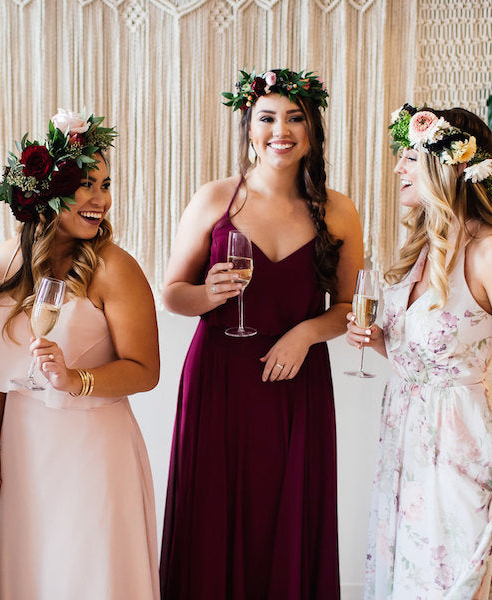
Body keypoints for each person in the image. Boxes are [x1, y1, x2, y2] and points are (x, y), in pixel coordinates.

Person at [160, 69, 364, 598]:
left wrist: (305, 335)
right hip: (219, 380)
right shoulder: (215, 199)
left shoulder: (337, 210)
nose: (282, 130)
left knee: (288, 510)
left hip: (296, 380)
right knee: (213, 510)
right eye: (268, 118)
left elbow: (348, 307)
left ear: (312, 131)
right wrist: (209, 295)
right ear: (248, 127)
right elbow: (173, 293)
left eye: (296, 118)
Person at [348, 104, 492, 598]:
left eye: (408, 157)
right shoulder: (423, 248)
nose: (398, 169)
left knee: (450, 583)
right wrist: (380, 340)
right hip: (403, 444)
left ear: (445, 164)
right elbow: (427, 361)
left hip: (458, 446)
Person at [0, 109, 161, 600]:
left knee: (87, 571)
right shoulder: (6, 260)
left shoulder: (115, 268)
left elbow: (146, 371)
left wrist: (75, 379)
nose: (100, 199)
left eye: (106, 185)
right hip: (23, 444)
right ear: (46, 193)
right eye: (86, 185)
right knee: (32, 570)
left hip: (92, 447)